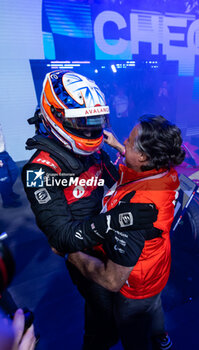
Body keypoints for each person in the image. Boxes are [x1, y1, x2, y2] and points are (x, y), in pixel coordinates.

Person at [21, 70, 157, 349]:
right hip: (84, 254)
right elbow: (61, 238)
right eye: (83, 123)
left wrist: (124, 152)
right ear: (56, 116)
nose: (90, 131)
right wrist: (116, 221)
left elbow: (115, 179)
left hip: (109, 243)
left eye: (96, 122)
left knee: (115, 314)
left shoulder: (94, 150)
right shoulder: (38, 170)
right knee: (104, 318)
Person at [57, 115, 186, 350]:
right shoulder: (164, 172)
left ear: (144, 157)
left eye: (129, 140)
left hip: (134, 287)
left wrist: (70, 250)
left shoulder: (134, 210)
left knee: (132, 332)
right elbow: (133, 178)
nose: (124, 141)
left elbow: (112, 280)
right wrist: (117, 146)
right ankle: (161, 337)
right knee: (154, 305)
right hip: (156, 269)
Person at [0, 123, 21, 208]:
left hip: (4, 153)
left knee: (14, 171)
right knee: (4, 180)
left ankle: (8, 191)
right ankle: (7, 202)